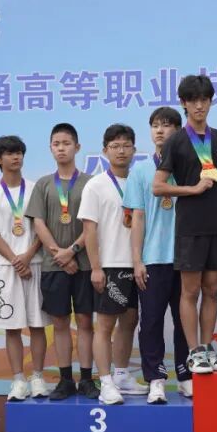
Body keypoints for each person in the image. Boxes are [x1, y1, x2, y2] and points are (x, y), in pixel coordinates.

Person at [154, 74, 217, 375]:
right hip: (189, 228)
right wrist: (193, 189)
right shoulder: (175, 141)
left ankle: (208, 349)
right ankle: (194, 352)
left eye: (204, 100)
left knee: (211, 289)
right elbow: (158, 186)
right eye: (193, 100)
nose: (199, 106)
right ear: (183, 103)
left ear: (211, 102)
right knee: (190, 292)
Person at [25, 123, 95, 401]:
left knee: (86, 322)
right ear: (51, 148)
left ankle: (87, 379)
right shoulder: (43, 184)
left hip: (85, 263)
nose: (61, 148)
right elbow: (38, 224)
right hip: (54, 266)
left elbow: (94, 223)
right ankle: (66, 379)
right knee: (61, 323)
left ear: (77, 147)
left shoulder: (91, 182)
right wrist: (60, 255)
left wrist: (73, 250)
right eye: (56, 144)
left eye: (67, 143)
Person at [127, 107, 193, 403]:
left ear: (178, 131)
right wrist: (137, 260)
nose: (160, 131)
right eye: (155, 125)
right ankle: (155, 378)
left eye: (167, 125)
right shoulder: (140, 170)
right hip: (153, 258)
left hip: (185, 257)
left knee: (184, 321)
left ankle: (185, 376)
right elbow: (137, 218)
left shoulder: (188, 165)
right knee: (151, 322)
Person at [0, 135, 49, 402]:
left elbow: (42, 227)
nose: (16, 157)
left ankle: (38, 377)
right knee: (12, 327)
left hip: (36, 264)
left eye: (19, 152)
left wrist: (29, 255)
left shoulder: (35, 189)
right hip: (7, 268)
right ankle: (19, 379)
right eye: (10, 153)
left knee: (38, 325)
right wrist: (15, 260)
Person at [79, 124, 140, 405]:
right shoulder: (96, 185)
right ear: (105, 151)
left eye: (126, 145)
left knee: (130, 321)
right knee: (104, 325)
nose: (121, 151)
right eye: (115, 146)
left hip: (138, 263)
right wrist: (96, 267)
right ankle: (105, 382)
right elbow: (89, 229)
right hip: (110, 265)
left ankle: (122, 375)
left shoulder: (139, 180)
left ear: (134, 150)